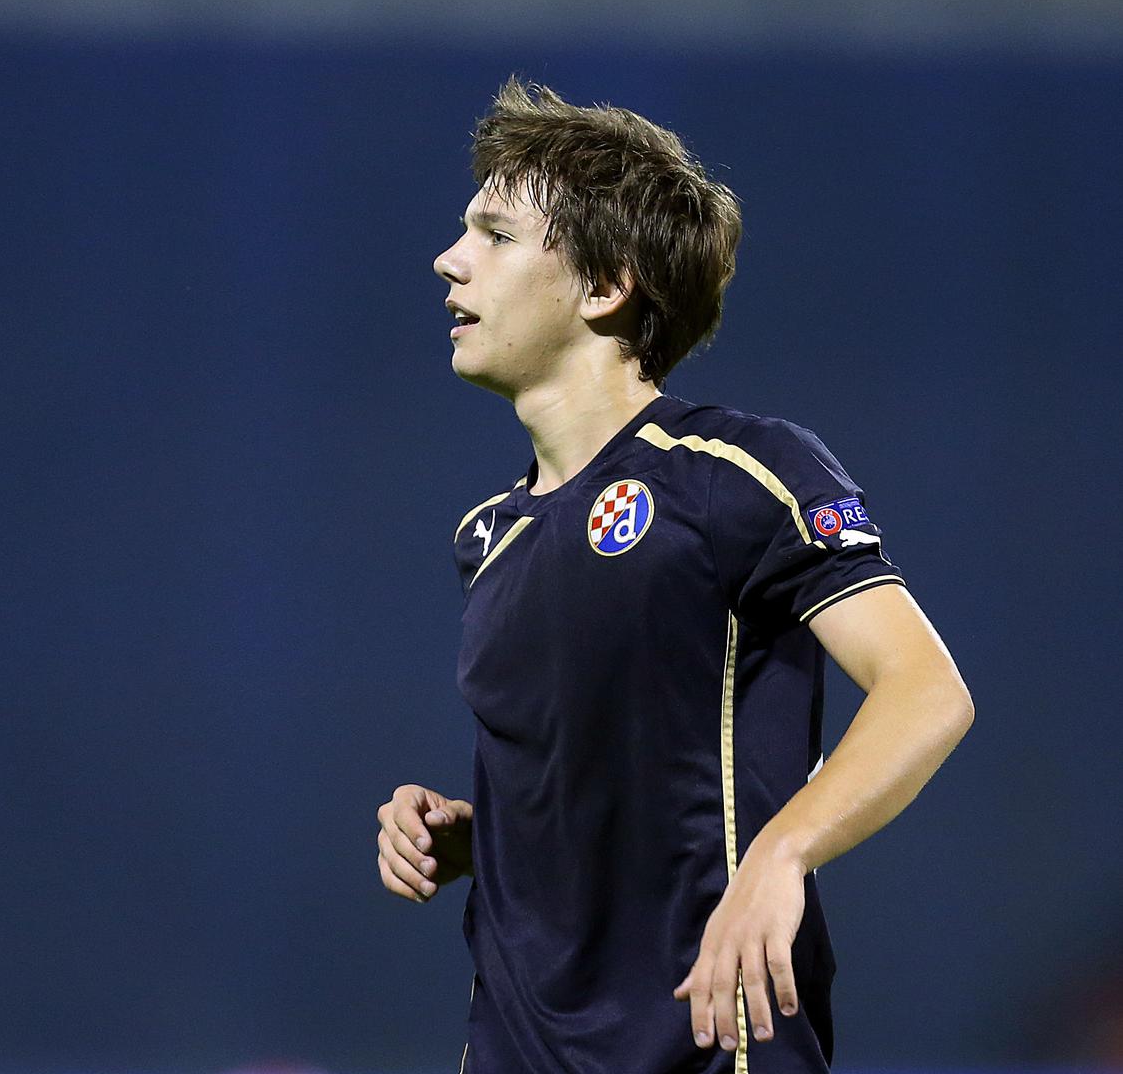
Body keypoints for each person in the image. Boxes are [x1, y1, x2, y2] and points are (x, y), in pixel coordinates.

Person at [373, 78, 974, 1073]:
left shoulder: (735, 471)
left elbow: (926, 692)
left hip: (702, 1046)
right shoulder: (489, 536)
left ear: (606, 287)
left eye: (496, 235)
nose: (449, 259)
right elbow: (622, 789)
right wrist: (482, 836)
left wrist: (783, 853)